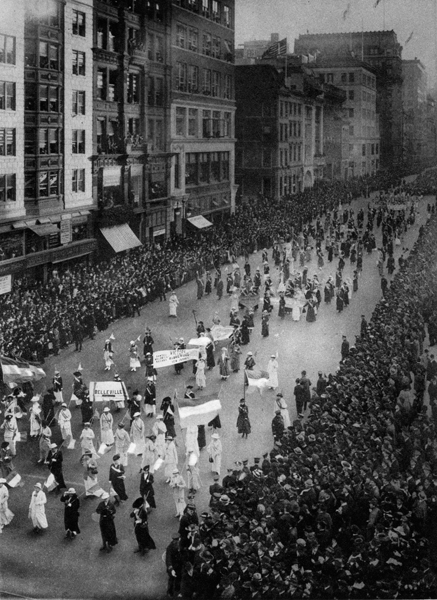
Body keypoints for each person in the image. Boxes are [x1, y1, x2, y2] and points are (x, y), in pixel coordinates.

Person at [165, 532, 183, 597]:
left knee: (179, 578)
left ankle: (177, 589)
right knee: (171, 580)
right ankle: (170, 592)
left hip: (179, 566)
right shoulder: (169, 548)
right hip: (173, 567)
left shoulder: (180, 544)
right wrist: (171, 569)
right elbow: (168, 560)